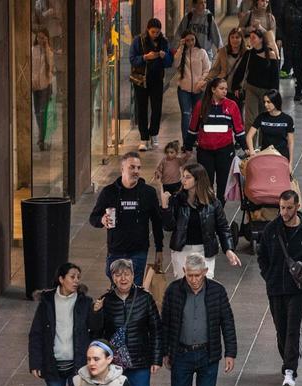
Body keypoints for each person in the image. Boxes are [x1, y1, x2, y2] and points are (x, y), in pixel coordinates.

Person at [160, 254, 237, 386]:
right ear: (184, 271)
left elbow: (227, 322)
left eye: (197, 275)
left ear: (204, 272)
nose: (193, 279)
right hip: (181, 355)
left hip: (208, 355)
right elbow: (165, 323)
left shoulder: (217, 291)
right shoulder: (174, 291)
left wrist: (230, 352)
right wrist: (165, 352)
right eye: (190, 275)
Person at [29, 263, 101, 386]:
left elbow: (95, 330)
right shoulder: (47, 302)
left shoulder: (84, 302)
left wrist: (96, 313)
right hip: (53, 365)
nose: (76, 280)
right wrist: (35, 362)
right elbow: (36, 333)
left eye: (78, 276)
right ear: (61, 279)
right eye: (72, 276)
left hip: (77, 364)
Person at [257, 190, 302, 386]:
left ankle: (290, 370)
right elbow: (262, 256)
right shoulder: (271, 230)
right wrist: (268, 276)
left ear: (297, 207)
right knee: (281, 328)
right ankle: (289, 359)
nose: (284, 212)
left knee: (292, 329)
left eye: (288, 208)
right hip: (275, 288)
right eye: (281, 208)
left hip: (298, 290)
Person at [92, 259, 162, 386]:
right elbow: (96, 333)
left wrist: (156, 358)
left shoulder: (144, 298)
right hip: (115, 364)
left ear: (133, 275)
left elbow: (156, 329)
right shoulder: (105, 300)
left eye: (127, 274)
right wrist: (96, 314)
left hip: (140, 360)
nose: (123, 278)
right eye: (118, 274)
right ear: (112, 278)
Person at [88, 151, 166, 286]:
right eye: (132, 167)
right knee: (117, 289)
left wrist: (159, 249)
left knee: (134, 290)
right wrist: (102, 220)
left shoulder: (148, 193)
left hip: (139, 251)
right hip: (116, 251)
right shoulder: (109, 192)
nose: (136, 171)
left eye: (138, 168)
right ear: (122, 169)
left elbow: (156, 222)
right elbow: (93, 218)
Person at [162, 163, 240, 280]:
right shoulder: (177, 199)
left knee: (206, 286)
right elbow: (168, 227)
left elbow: (223, 227)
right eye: (183, 176)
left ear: (198, 180)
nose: (183, 180)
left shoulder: (213, 202)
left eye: (188, 177)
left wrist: (228, 249)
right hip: (182, 250)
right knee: (184, 288)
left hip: (205, 250)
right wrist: (165, 207)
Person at [190, 77, 246, 204]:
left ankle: (219, 209)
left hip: (225, 151)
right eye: (221, 89)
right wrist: (187, 147)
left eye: (226, 89)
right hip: (205, 151)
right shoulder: (201, 105)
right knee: (205, 182)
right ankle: (207, 208)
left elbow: (239, 130)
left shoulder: (232, 106)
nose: (225, 91)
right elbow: (193, 128)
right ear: (213, 90)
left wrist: (246, 148)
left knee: (223, 183)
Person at [128, 18, 174, 152]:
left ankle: (154, 134)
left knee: (156, 108)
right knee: (141, 109)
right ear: (148, 29)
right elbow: (132, 60)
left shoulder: (163, 42)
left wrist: (164, 56)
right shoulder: (138, 41)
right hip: (141, 80)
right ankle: (144, 138)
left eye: (158, 32)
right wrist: (145, 57)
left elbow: (169, 63)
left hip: (157, 79)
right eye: (153, 32)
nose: (155, 34)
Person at [232, 26, 281, 127]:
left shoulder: (271, 54)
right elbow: (240, 70)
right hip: (251, 89)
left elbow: (275, 77)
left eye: (254, 37)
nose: (251, 40)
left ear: (261, 39)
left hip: (266, 91)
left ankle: (263, 143)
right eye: (250, 37)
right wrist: (236, 85)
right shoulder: (249, 54)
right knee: (250, 119)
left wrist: (274, 94)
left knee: (265, 119)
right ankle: (250, 142)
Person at [173, 29, 212, 153]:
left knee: (199, 115)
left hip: (199, 89)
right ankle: (187, 142)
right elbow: (175, 64)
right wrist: (181, 48)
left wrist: (201, 82)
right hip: (183, 89)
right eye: (188, 40)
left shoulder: (202, 53)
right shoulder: (181, 53)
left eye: (192, 40)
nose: (190, 42)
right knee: (186, 114)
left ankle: (198, 139)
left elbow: (207, 69)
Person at [246, 90, 296, 159]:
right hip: (265, 156)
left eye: (268, 102)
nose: (265, 105)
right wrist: (252, 152)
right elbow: (249, 136)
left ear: (276, 102)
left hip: (282, 157)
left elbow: (291, 142)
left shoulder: (287, 119)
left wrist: (290, 163)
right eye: (265, 102)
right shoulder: (261, 117)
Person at [31, 28, 55, 151]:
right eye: (39, 37)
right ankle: (41, 136)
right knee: (37, 112)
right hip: (35, 86)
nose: (40, 40)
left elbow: (50, 69)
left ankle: (41, 139)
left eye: (43, 38)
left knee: (42, 112)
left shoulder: (49, 52)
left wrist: (46, 48)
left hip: (45, 86)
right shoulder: (33, 51)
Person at [282, 0, 302, 102]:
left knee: (299, 67)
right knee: (292, 62)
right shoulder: (287, 5)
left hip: (301, 41)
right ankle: (299, 88)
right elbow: (281, 22)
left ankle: (300, 90)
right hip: (289, 40)